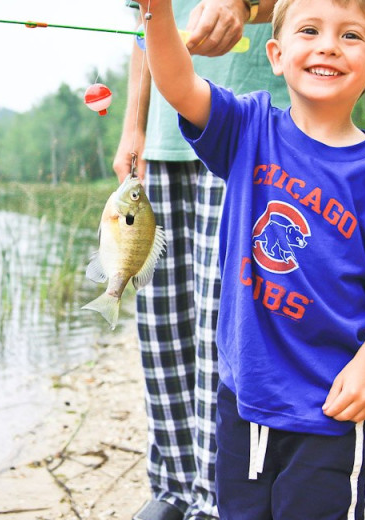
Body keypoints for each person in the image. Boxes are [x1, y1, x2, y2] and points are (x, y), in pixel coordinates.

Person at [128, 0, 365, 518]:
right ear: (276, 53)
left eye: (351, 36)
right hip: (242, 399)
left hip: (328, 408)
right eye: (309, 30)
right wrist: (157, 10)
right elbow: (178, 84)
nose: (328, 45)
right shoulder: (248, 129)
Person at [113, 1, 288, 519]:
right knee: (162, 325)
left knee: (226, 323)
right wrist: (134, 127)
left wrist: (245, 4)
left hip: (251, 131)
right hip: (166, 143)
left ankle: (218, 498)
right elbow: (144, 25)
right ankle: (173, 488)